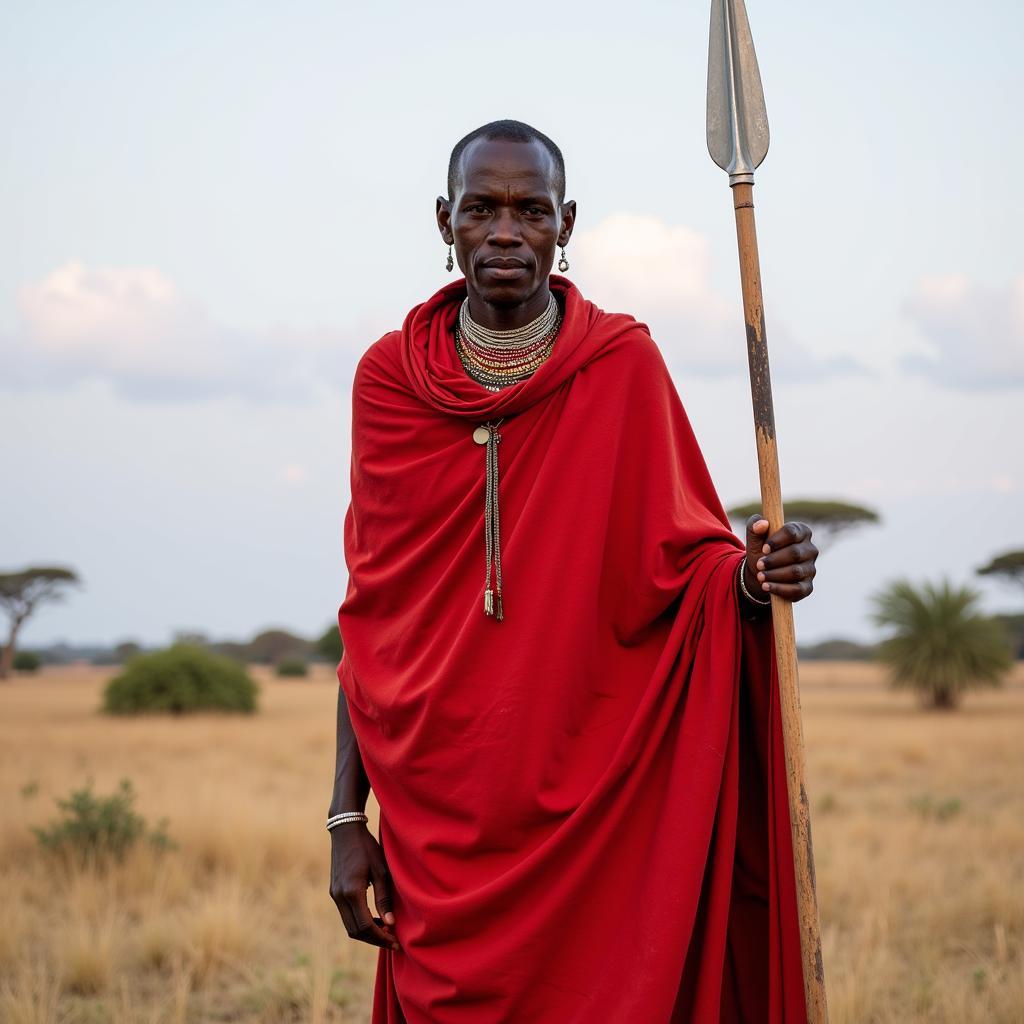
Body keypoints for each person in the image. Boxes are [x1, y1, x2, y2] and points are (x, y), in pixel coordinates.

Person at [329, 119, 818, 1023]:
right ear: (445, 222)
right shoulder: (389, 383)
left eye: (531, 210)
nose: (505, 232)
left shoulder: (619, 364)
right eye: (482, 209)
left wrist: (754, 580)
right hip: (439, 817)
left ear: (567, 224)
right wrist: (345, 820)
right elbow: (372, 621)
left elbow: (688, 566)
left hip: (598, 806)